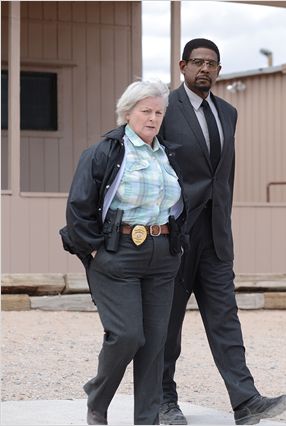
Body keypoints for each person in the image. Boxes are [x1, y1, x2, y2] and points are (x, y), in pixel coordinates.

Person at [158, 38, 286, 426]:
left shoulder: (228, 113)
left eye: (212, 64)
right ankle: (163, 401)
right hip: (174, 234)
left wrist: (224, 223)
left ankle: (245, 401)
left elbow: (223, 176)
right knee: (167, 324)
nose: (205, 69)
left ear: (219, 70)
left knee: (225, 319)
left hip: (216, 235)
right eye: (197, 62)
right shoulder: (163, 109)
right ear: (182, 66)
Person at [60, 79, 188, 425]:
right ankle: (97, 399)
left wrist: (178, 244)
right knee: (128, 335)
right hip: (118, 252)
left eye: (158, 112)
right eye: (146, 111)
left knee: (155, 343)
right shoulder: (105, 152)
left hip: (163, 253)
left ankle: (147, 420)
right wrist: (94, 251)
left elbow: (178, 204)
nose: (153, 118)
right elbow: (78, 208)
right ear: (127, 112)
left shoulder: (168, 154)